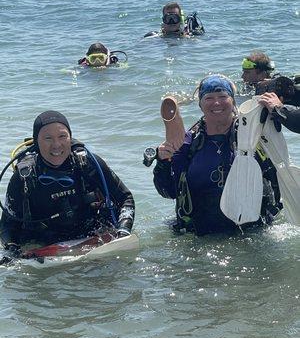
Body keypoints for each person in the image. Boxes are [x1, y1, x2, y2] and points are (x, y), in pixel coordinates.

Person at [153, 75, 281, 236]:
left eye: (223, 97)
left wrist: (277, 110)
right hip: (201, 233)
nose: (217, 103)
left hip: (251, 230)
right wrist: (162, 162)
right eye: (209, 98)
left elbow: (278, 180)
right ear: (200, 104)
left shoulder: (253, 136)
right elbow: (169, 191)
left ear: (233, 101)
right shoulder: (188, 144)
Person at [0, 111, 135, 256]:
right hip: (43, 244)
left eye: (62, 136)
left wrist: (123, 231)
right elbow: (7, 225)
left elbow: (125, 198)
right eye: (48, 138)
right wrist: (12, 250)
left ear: (70, 138)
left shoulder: (88, 164)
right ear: (36, 142)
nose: (56, 145)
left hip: (92, 236)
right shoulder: (24, 176)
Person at [241, 50, 300, 133]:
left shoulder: (280, 88)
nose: (242, 76)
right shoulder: (248, 88)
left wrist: (278, 108)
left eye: (247, 72)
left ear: (262, 74)